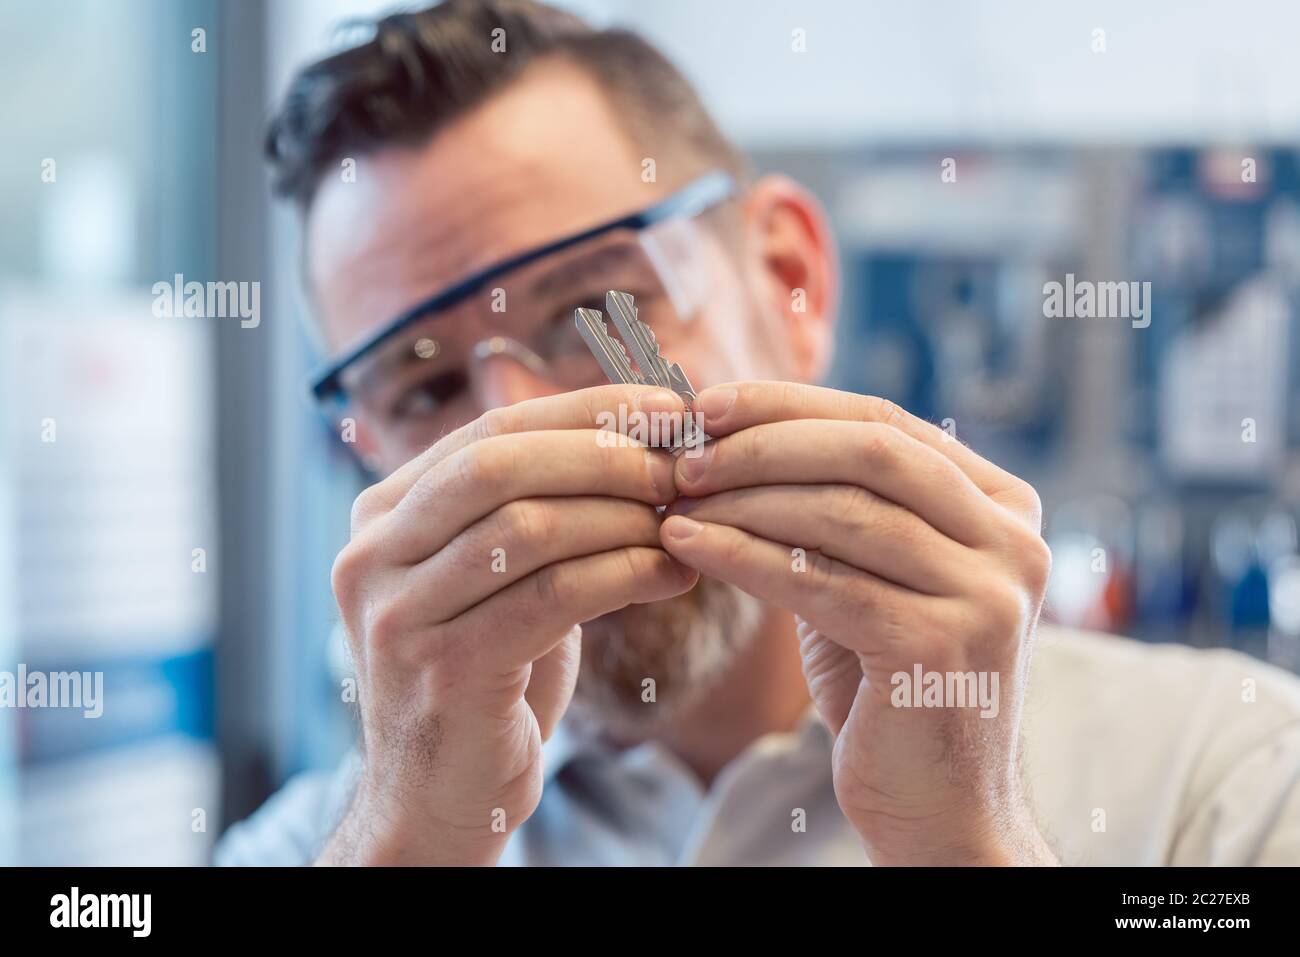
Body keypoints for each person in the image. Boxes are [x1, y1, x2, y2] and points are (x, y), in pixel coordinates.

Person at [216, 0, 1300, 866]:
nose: (517, 430)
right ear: (361, 448)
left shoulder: (1229, 777)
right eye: (423, 387)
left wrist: (968, 849)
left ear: (790, 279)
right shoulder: (308, 851)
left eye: (591, 310)